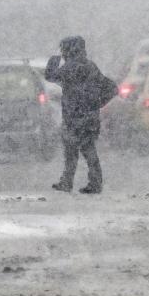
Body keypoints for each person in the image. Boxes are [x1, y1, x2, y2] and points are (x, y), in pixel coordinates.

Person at [44, 36, 116, 194]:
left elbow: (50, 76)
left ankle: (67, 181)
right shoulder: (90, 66)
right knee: (88, 149)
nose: (63, 52)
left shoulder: (70, 67)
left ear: (68, 50)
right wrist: (97, 103)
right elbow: (111, 87)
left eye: (63, 49)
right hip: (89, 116)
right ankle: (94, 182)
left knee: (71, 151)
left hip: (73, 116)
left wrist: (55, 58)